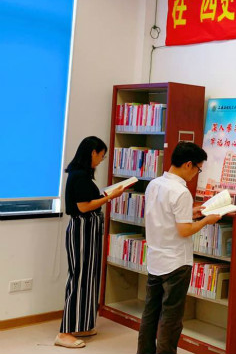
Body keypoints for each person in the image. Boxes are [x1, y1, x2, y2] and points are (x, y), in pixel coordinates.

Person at [137, 142, 221, 354]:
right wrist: (206, 220)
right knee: (171, 318)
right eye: (198, 169)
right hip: (175, 263)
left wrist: (191, 213)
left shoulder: (154, 184)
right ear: (188, 164)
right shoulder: (181, 192)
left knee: (150, 313)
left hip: (155, 258)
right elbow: (184, 230)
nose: (196, 174)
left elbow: (164, 215)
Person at [55, 136, 126, 349]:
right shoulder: (78, 175)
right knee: (79, 278)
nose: (101, 160)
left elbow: (88, 201)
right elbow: (83, 206)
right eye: (101, 156)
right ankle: (65, 332)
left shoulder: (83, 174)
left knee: (89, 277)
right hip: (82, 230)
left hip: (89, 230)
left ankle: (82, 324)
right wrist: (110, 197)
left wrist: (105, 195)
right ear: (92, 152)